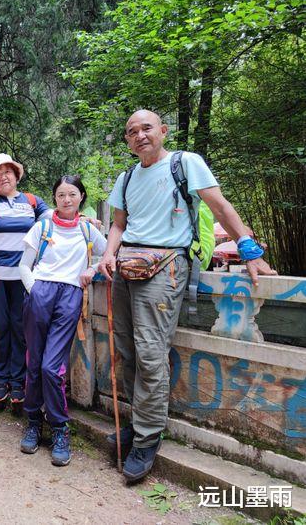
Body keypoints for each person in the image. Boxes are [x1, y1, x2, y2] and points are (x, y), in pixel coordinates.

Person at [97, 110, 276, 483]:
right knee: (127, 350)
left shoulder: (185, 163)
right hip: (126, 265)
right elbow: (118, 225)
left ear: (163, 131)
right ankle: (136, 422)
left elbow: (220, 207)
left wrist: (249, 250)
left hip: (165, 267)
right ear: (128, 141)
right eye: (132, 132)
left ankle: (147, 438)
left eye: (147, 128)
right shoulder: (127, 176)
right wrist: (107, 254)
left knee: (149, 353)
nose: (140, 136)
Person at [18, 175, 107, 466]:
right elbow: (24, 264)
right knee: (33, 364)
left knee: (51, 368)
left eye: (71, 194)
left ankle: (59, 428)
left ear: (81, 196)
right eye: (60, 195)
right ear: (54, 198)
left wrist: (92, 270)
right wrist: (34, 290)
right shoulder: (42, 225)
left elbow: (107, 255)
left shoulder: (87, 229)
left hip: (69, 295)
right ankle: (33, 421)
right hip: (40, 291)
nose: (66, 200)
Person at [0, 153, 50, 405]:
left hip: (23, 275)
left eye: (7, 172)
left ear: (16, 175)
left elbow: (55, 220)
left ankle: (18, 382)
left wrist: (82, 219)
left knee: (20, 328)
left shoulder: (31, 201)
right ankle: (2, 379)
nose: (3, 176)